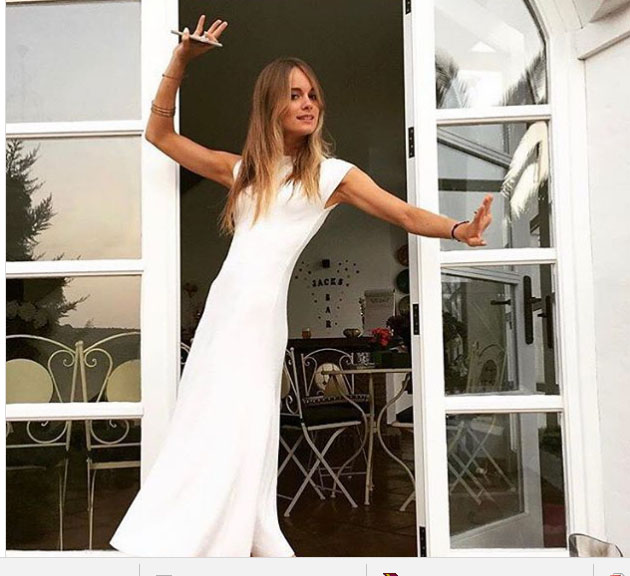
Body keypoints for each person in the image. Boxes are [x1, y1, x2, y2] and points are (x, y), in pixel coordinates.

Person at [109, 14, 493, 558]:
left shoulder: (332, 176)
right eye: (294, 95)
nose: (308, 103)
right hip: (223, 311)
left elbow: (403, 213)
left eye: (312, 94)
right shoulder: (242, 173)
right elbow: (159, 135)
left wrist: (458, 230)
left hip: (260, 319)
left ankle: (232, 538)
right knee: (205, 420)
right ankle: (199, 538)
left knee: (247, 426)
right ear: (271, 106)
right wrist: (179, 62)